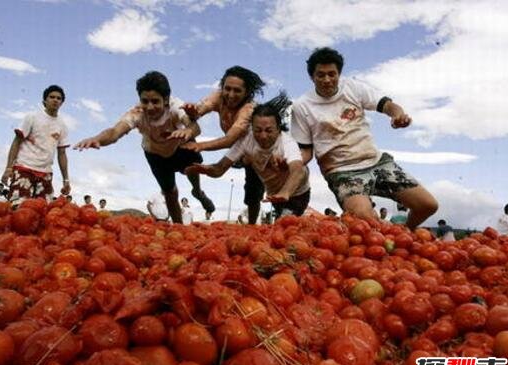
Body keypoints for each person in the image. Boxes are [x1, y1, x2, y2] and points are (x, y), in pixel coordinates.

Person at [290, 47, 438, 230]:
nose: (327, 80)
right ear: (312, 77)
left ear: (339, 74)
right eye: (320, 75)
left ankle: (405, 233)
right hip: (342, 171)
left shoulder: (353, 87)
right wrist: (292, 163)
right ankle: (378, 236)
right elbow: (305, 150)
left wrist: (398, 115)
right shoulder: (301, 107)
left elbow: (388, 105)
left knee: (428, 205)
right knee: (364, 219)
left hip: (376, 162)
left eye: (332, 74)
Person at [74, 71, 214, 224]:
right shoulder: (137, 113)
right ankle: (178, 227)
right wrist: (97, 139)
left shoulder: (175, 107)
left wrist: (188, 131)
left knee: (191, 165)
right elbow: (114, 132)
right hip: (155, 154)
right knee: (170, 193)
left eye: (155, 101)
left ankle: (197, 190)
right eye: (145, 101)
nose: (150, 107)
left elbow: (195, 127)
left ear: (166, 100)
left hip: (179, 145)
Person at [186, 92, 310, 220]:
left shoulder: (287, 142)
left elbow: (298, 170)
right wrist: (207, 170)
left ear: (278, 129)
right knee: (278, 227)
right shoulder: (246, 140)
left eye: (269, 130)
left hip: (297, 193)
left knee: (284, 224)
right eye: (258, 130)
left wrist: (286, 192)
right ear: (252, 128)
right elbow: (220, 168)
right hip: (275, 195)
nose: (263, 136)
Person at [181, 66, 266, 224]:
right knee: (217, 169)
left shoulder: (249, 109)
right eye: (227, 89)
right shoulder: (219, 96)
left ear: (247, 92)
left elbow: (230, 139)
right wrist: (193, 112)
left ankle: (253, 226)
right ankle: (199, 191)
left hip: (253, 149)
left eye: (237, 91)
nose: (231, 95)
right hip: (237, 147)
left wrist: (201, 146)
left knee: (253, 190)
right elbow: (201, 109)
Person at [1, 85, 71, 204]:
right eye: (52, 97)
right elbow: (17, 142)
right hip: (24, 168)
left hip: (45, 173)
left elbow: (62, 153)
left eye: (59, 98)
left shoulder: (62, 125)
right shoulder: (32, 117)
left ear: (62, 103)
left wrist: (66, 180)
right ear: (44, 101)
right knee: (19, 209)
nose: (55, 100)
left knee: (43, 211)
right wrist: (8, 168)